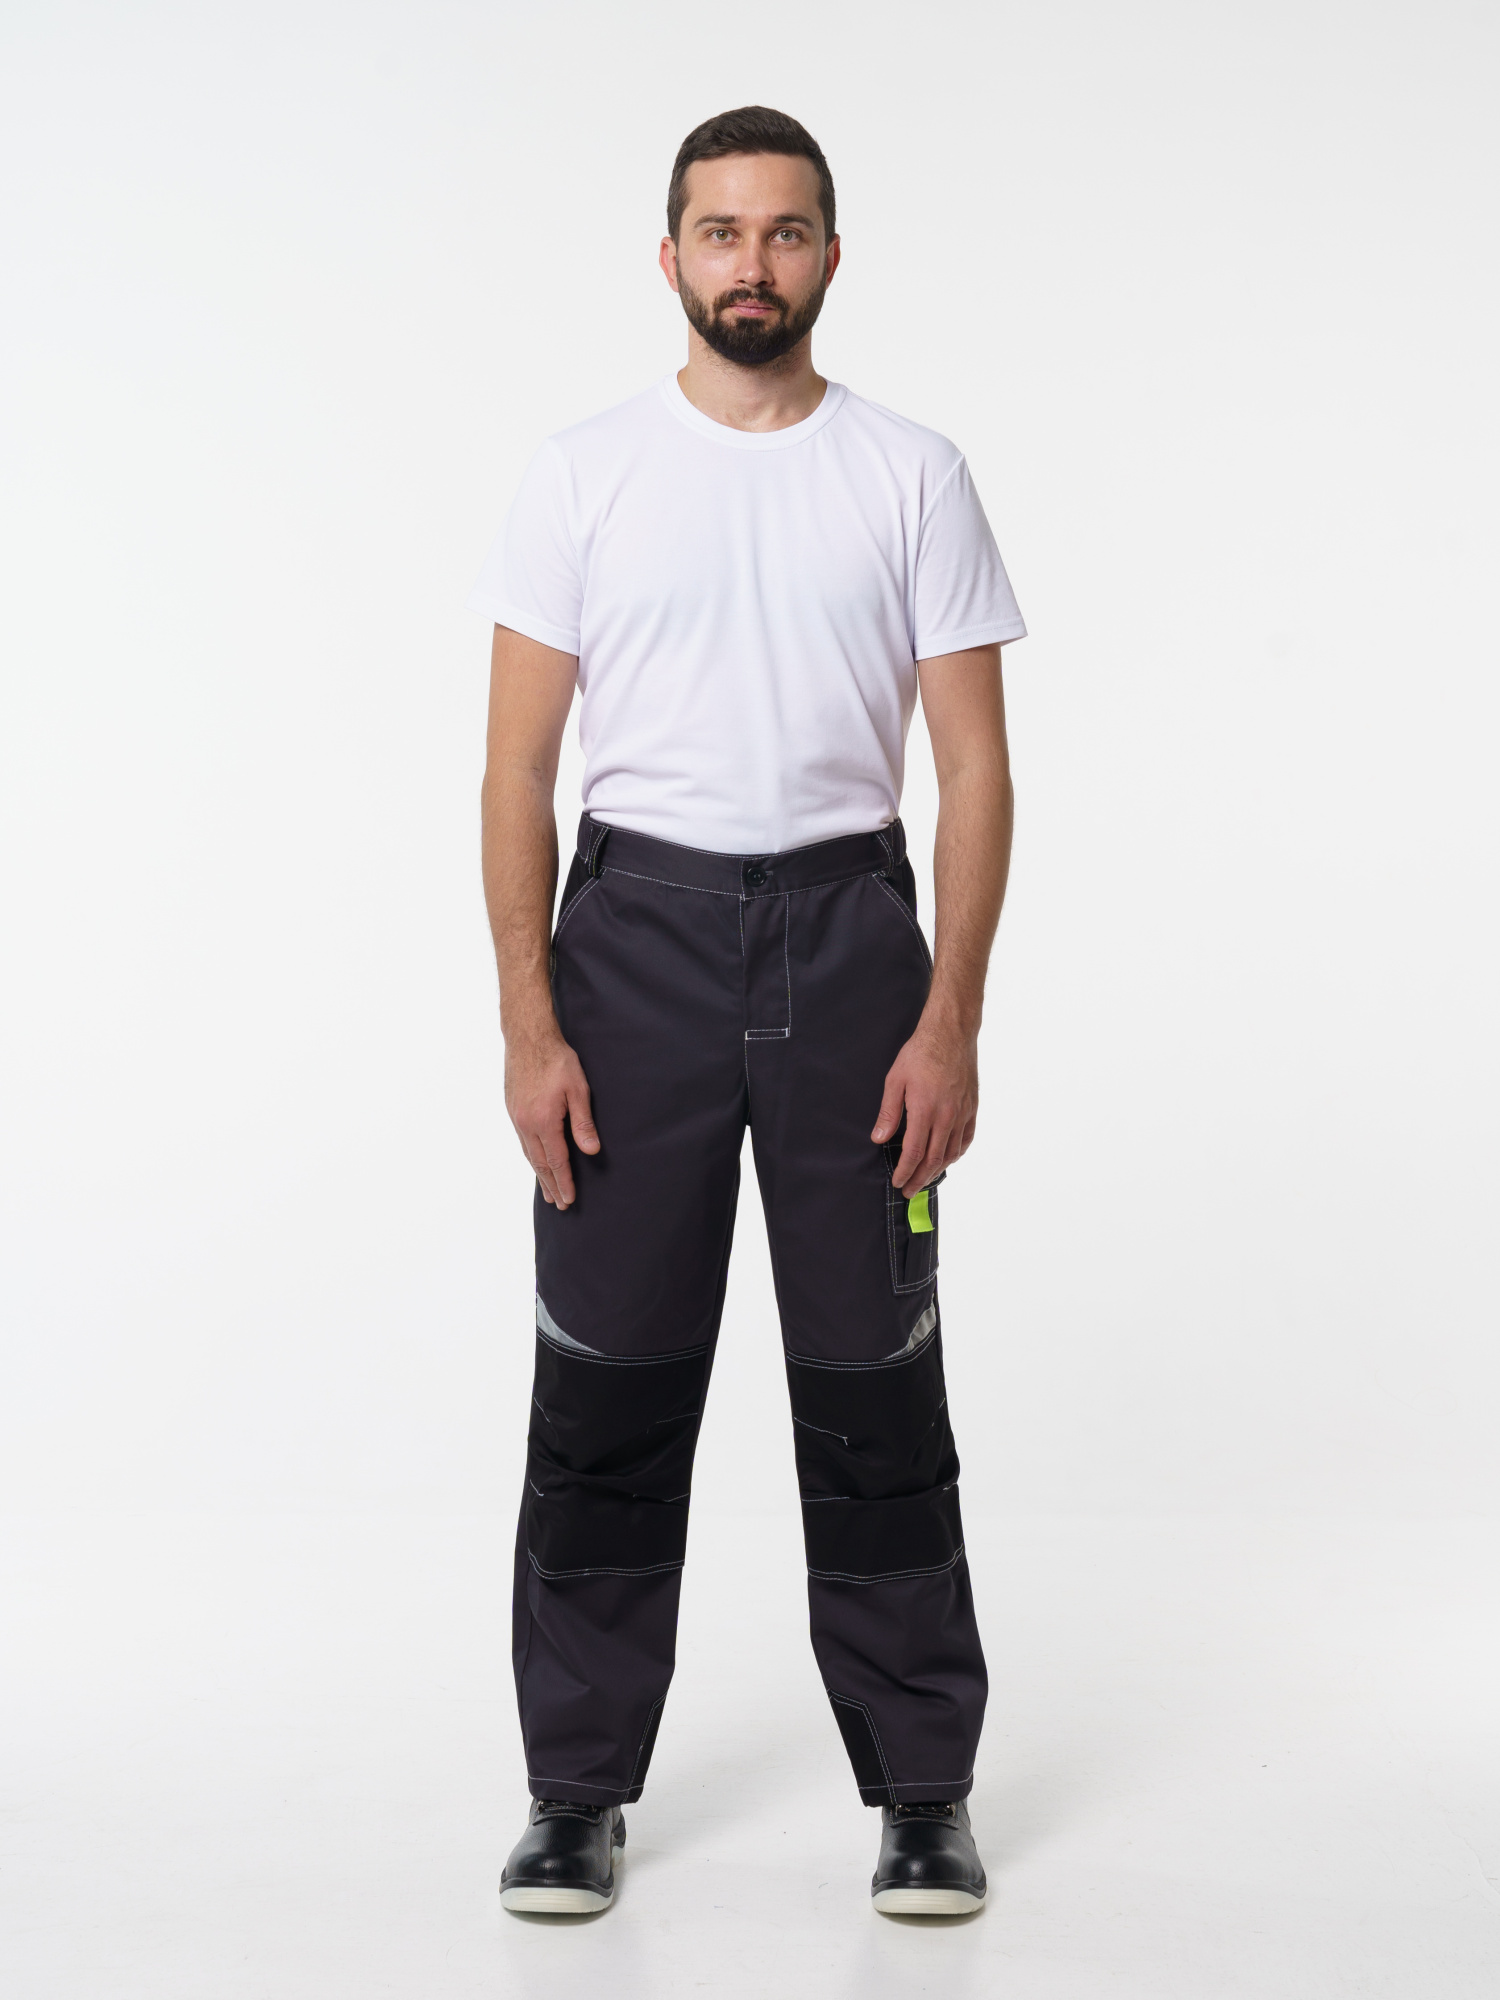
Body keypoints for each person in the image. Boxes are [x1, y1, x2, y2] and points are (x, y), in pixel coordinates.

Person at [471, 104, 1026, 1918]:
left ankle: (924, 1788)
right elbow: (516, 774)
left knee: (874, 1382)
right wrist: (530, 1024)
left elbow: (974, 772)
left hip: (850, 939)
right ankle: (574, 1790)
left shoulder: (913, 472)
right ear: (670, 258)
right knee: (608, 1378)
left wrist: (949, 1020)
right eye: (720, 232)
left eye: (785, 232)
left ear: (830, 257)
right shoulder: (581, 474)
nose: (752, 264)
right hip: (633, 940)